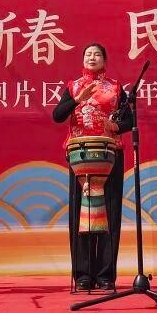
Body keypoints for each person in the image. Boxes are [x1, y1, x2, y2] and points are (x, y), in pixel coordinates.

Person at [51, 43, 133, 292]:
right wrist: (77, 100)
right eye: (88, 54)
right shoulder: (73, 86)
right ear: (83, 60)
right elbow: (57, 115)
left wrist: (115, 126)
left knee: (110, 212)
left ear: (105, 61)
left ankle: (106, 275)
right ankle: (83, 274)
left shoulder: (116, 87)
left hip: (109, 153)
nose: (92, 57)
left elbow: (130, 120)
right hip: (81, 155)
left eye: (97, 54)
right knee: (81, 213)